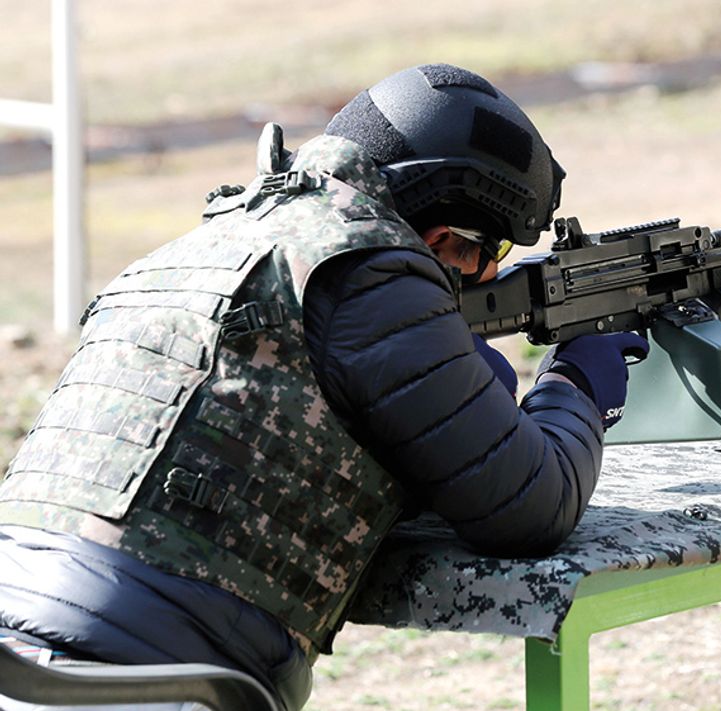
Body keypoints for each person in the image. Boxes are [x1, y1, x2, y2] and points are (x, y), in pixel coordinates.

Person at [0, 63, 647, 711]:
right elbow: (532, 508)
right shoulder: (374, 267)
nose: (484, 275)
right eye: (488, 253)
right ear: (442, 236)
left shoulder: (206, 241)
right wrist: (578, 380)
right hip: (149, 679)